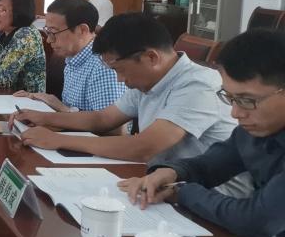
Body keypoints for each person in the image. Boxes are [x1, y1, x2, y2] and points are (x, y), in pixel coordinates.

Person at [119, 29, 285, 237]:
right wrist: (172, 173)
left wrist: (181, 192)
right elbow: (210, 165)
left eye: (246, 100)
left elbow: (256, 220)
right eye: (230, 98)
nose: (235, 113)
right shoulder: (252, 130)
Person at [14, 13, 235, 163]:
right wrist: (42, 117)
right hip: (164, 184)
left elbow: (145, 147)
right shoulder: (149, 79)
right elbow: (102, 119)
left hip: (208, 201)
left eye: (119, 69)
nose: (119, 80)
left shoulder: (198, 85)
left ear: (151, 57)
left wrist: (58, 140)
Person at [16, 0, 125, 112]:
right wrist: (48, 101)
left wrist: (59, 106)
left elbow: (108, 122)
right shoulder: (73, 58)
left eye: (53, 32)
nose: (49, 40)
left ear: (82, 30)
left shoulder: (104, 66)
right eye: (48, 32)